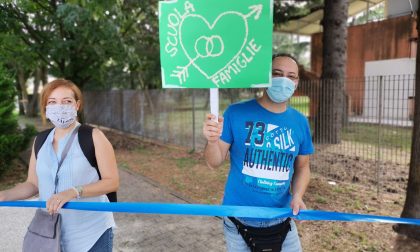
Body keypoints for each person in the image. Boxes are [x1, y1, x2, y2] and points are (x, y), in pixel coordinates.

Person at [203, 53, 314, 252]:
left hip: (282, 219)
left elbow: (303, 167)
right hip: (238, 220)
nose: (283, 80)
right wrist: (212, 141)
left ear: (297, 82)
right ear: (265, 76)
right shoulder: (236, 113)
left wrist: (297, 195)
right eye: (277, 73)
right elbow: (214, 162)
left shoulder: (300, 122)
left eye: (291, 76)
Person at [0, 79, 119, 252]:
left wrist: (73, 191)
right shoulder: (40, 140)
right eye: (52, 102)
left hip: (91, 234)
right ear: (46, 108)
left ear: (77, 105)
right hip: (51, 233)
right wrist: (3, 195)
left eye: (67, 101)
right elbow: (33, 184)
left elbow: (112, 182)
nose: (59, 106)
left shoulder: (93, 136)